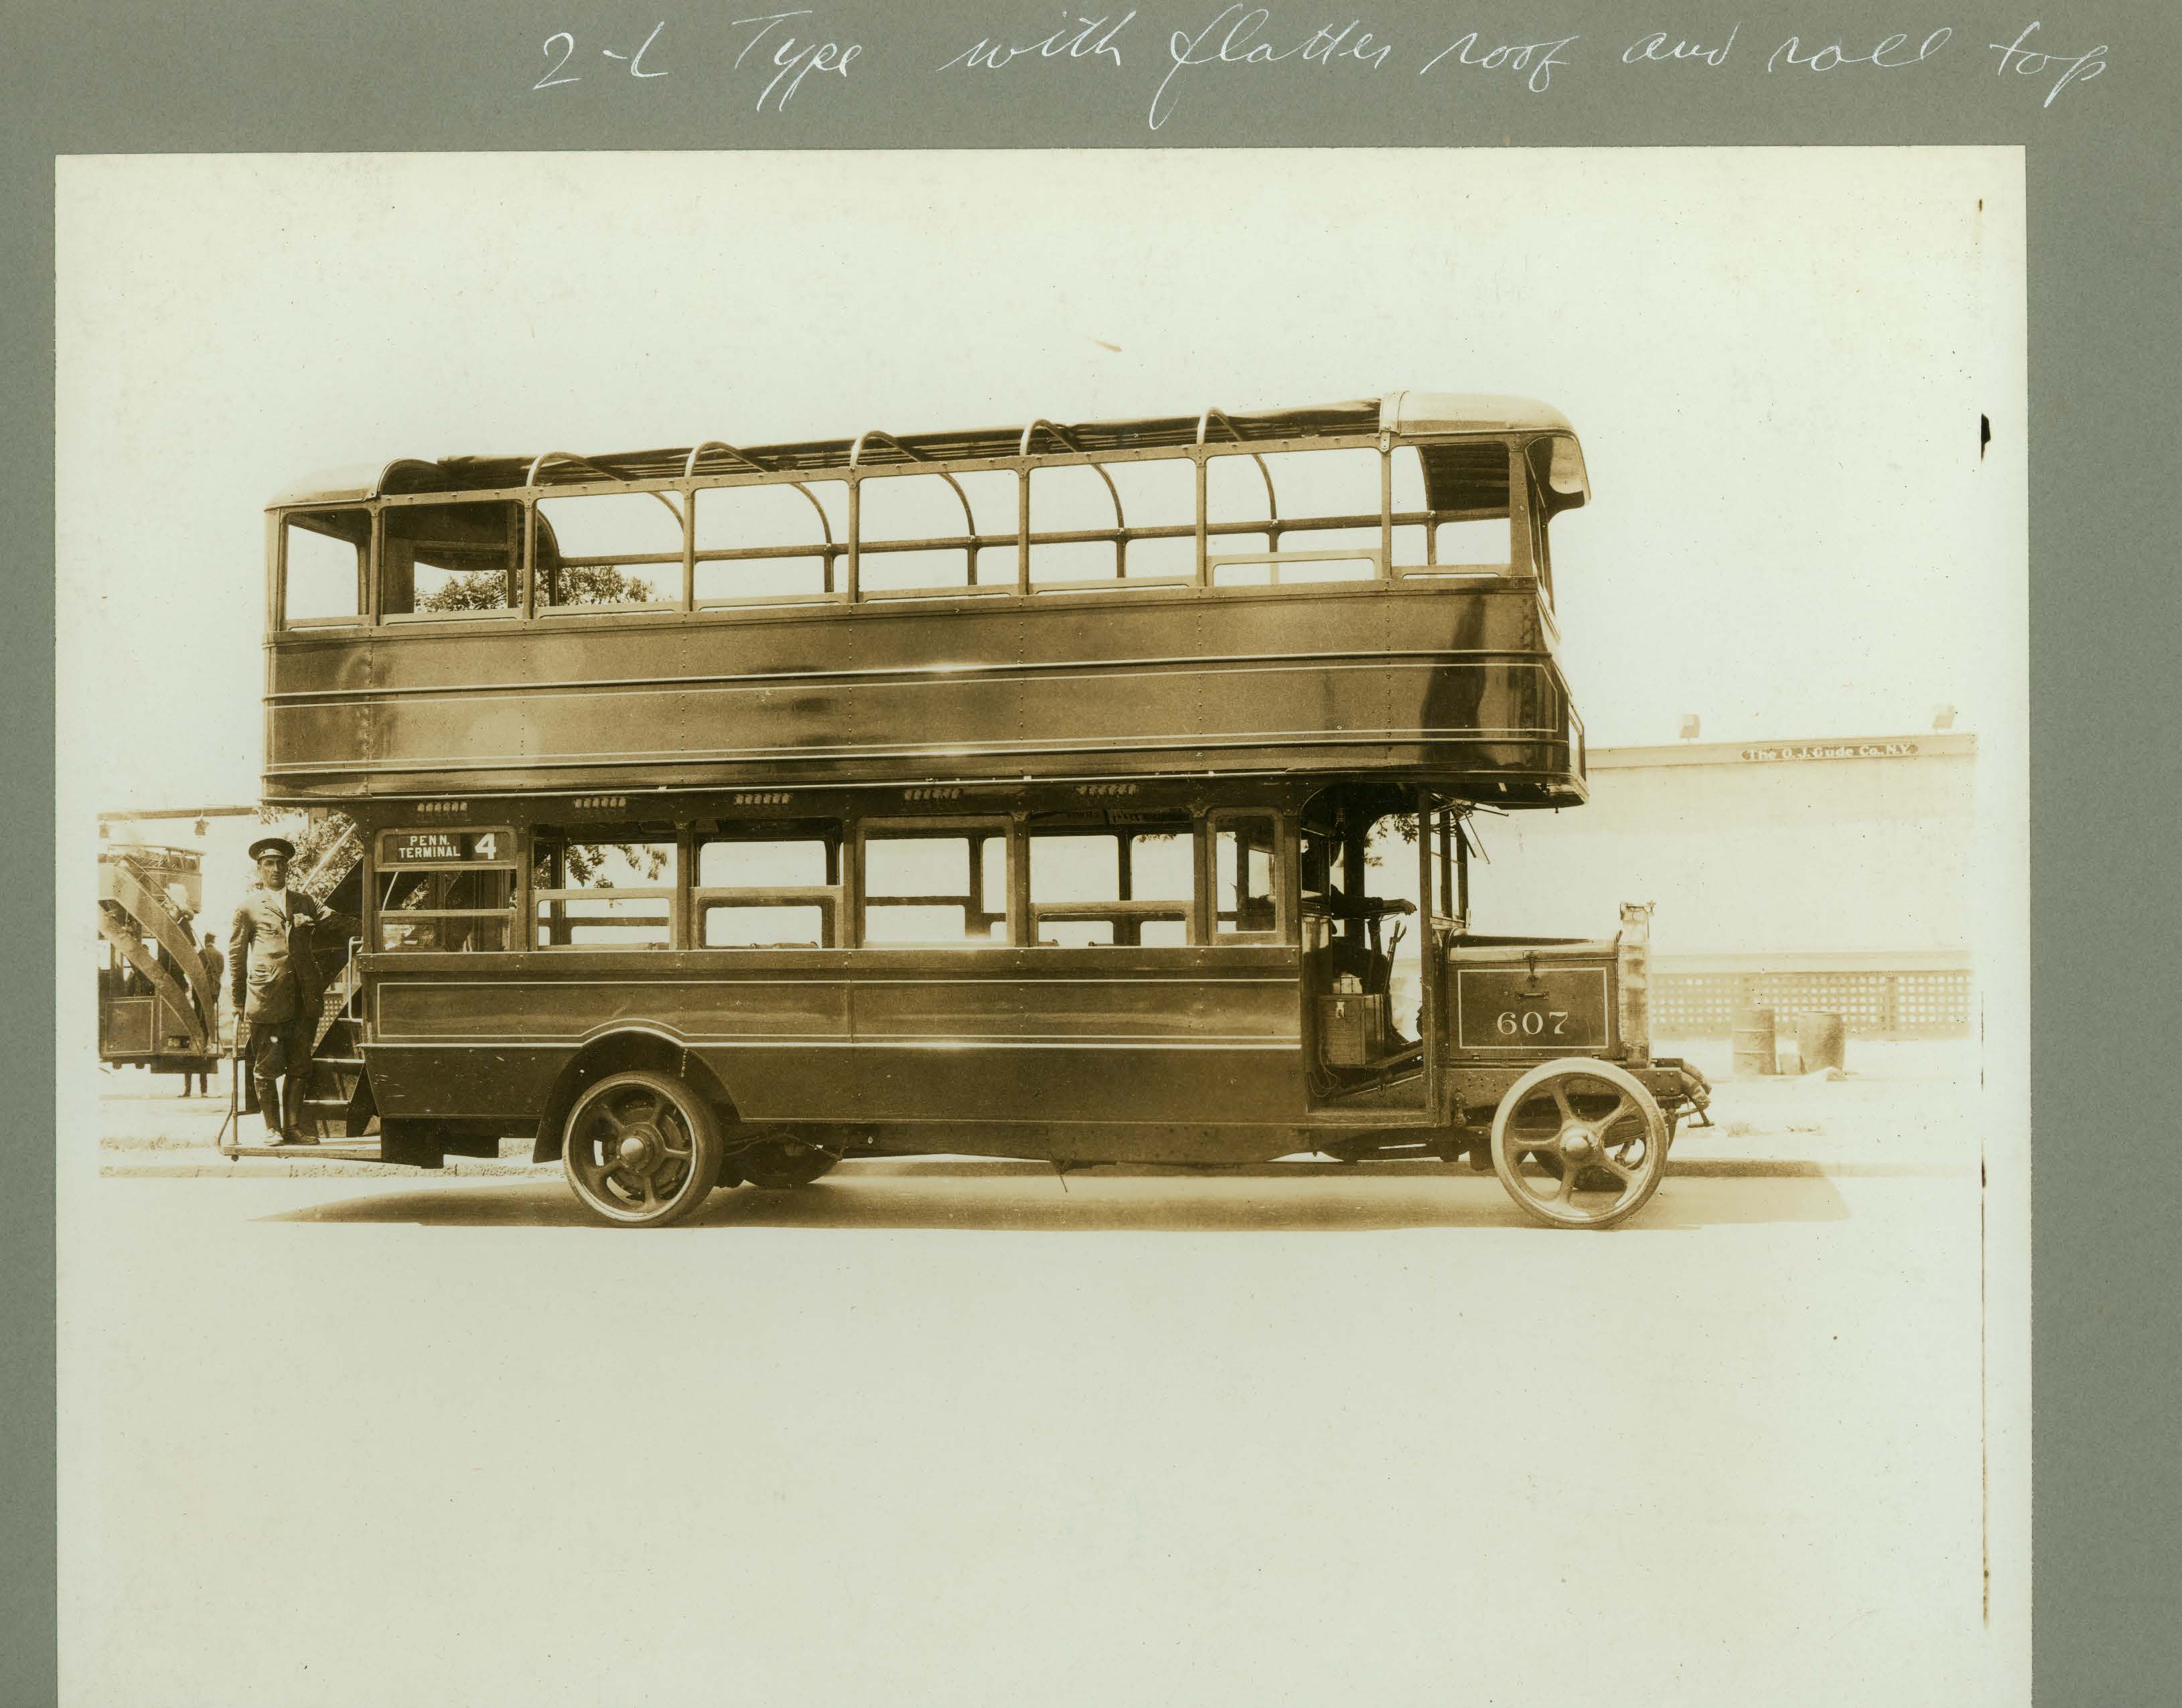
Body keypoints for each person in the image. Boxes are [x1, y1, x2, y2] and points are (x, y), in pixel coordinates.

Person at [228, 837, 332, 1144]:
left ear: (288, 868)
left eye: (281, 864)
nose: (276, 869)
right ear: (259, 870)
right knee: (267, 1067)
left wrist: (374, 925)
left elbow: (335, 922)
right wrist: (237, 1001)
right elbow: (236, 957)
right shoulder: (248, 907)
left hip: (304, 999)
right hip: (267, 999)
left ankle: (292, 1128)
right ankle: (272, 1129)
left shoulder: (305, 902)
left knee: (300, 1065)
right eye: (269, 864)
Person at [187, 932, 226, 1097]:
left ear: (205, 940)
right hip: (214, 991)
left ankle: (201, 1035)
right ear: (214, 940)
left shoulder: (202, 954)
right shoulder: (219, 955)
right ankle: (208, 1038)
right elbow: (221, 971)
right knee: (209, 1016)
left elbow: (196, 972)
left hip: (202, 990)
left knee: (199, 1015)